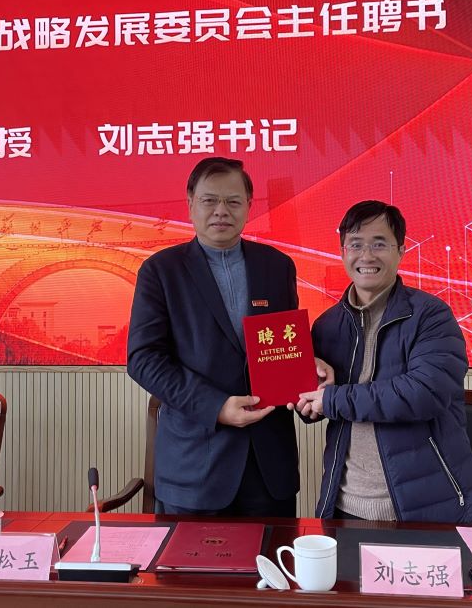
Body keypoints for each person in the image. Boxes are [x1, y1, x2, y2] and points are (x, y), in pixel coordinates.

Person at [127, 156, 331, 517]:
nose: (221, 210)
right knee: (188, 557)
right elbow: (144, 360)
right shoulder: (161, 271)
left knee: (273, 556)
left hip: (269, 469)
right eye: (209, 200)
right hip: (195, 469)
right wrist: (215, 407)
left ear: (249, 206)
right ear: (191, 204)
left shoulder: (276, 266)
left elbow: (282, 344)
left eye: (233, 201)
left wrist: (306, 367)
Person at [295, 200, 472, 523]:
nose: (366, 256)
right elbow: (320, 402)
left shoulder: (431, 315)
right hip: (346, 505)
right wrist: (306, 395)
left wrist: (332, 399)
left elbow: (425, 393)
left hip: (427, 510)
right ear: (343, 252)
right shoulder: (327, 325)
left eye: (379, 244)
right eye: (356, 245)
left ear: (401, 251)